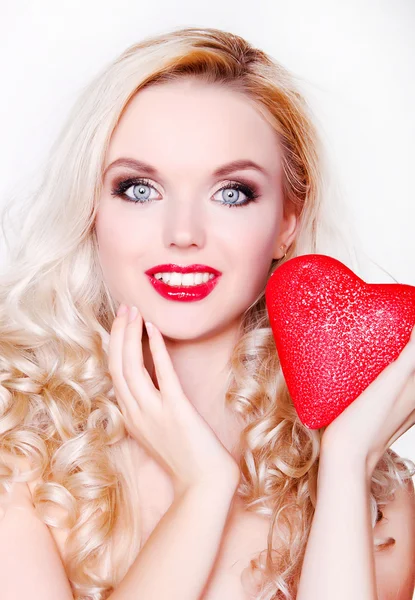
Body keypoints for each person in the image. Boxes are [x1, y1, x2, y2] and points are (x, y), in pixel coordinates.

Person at [0, 26, 414, 600]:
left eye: (232, 192)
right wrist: (203, 489)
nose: (184, 234)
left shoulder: (376, 495)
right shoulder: (16, 445)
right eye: (139, 189)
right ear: (91, 208)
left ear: (286, 222)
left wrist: (346, 465)